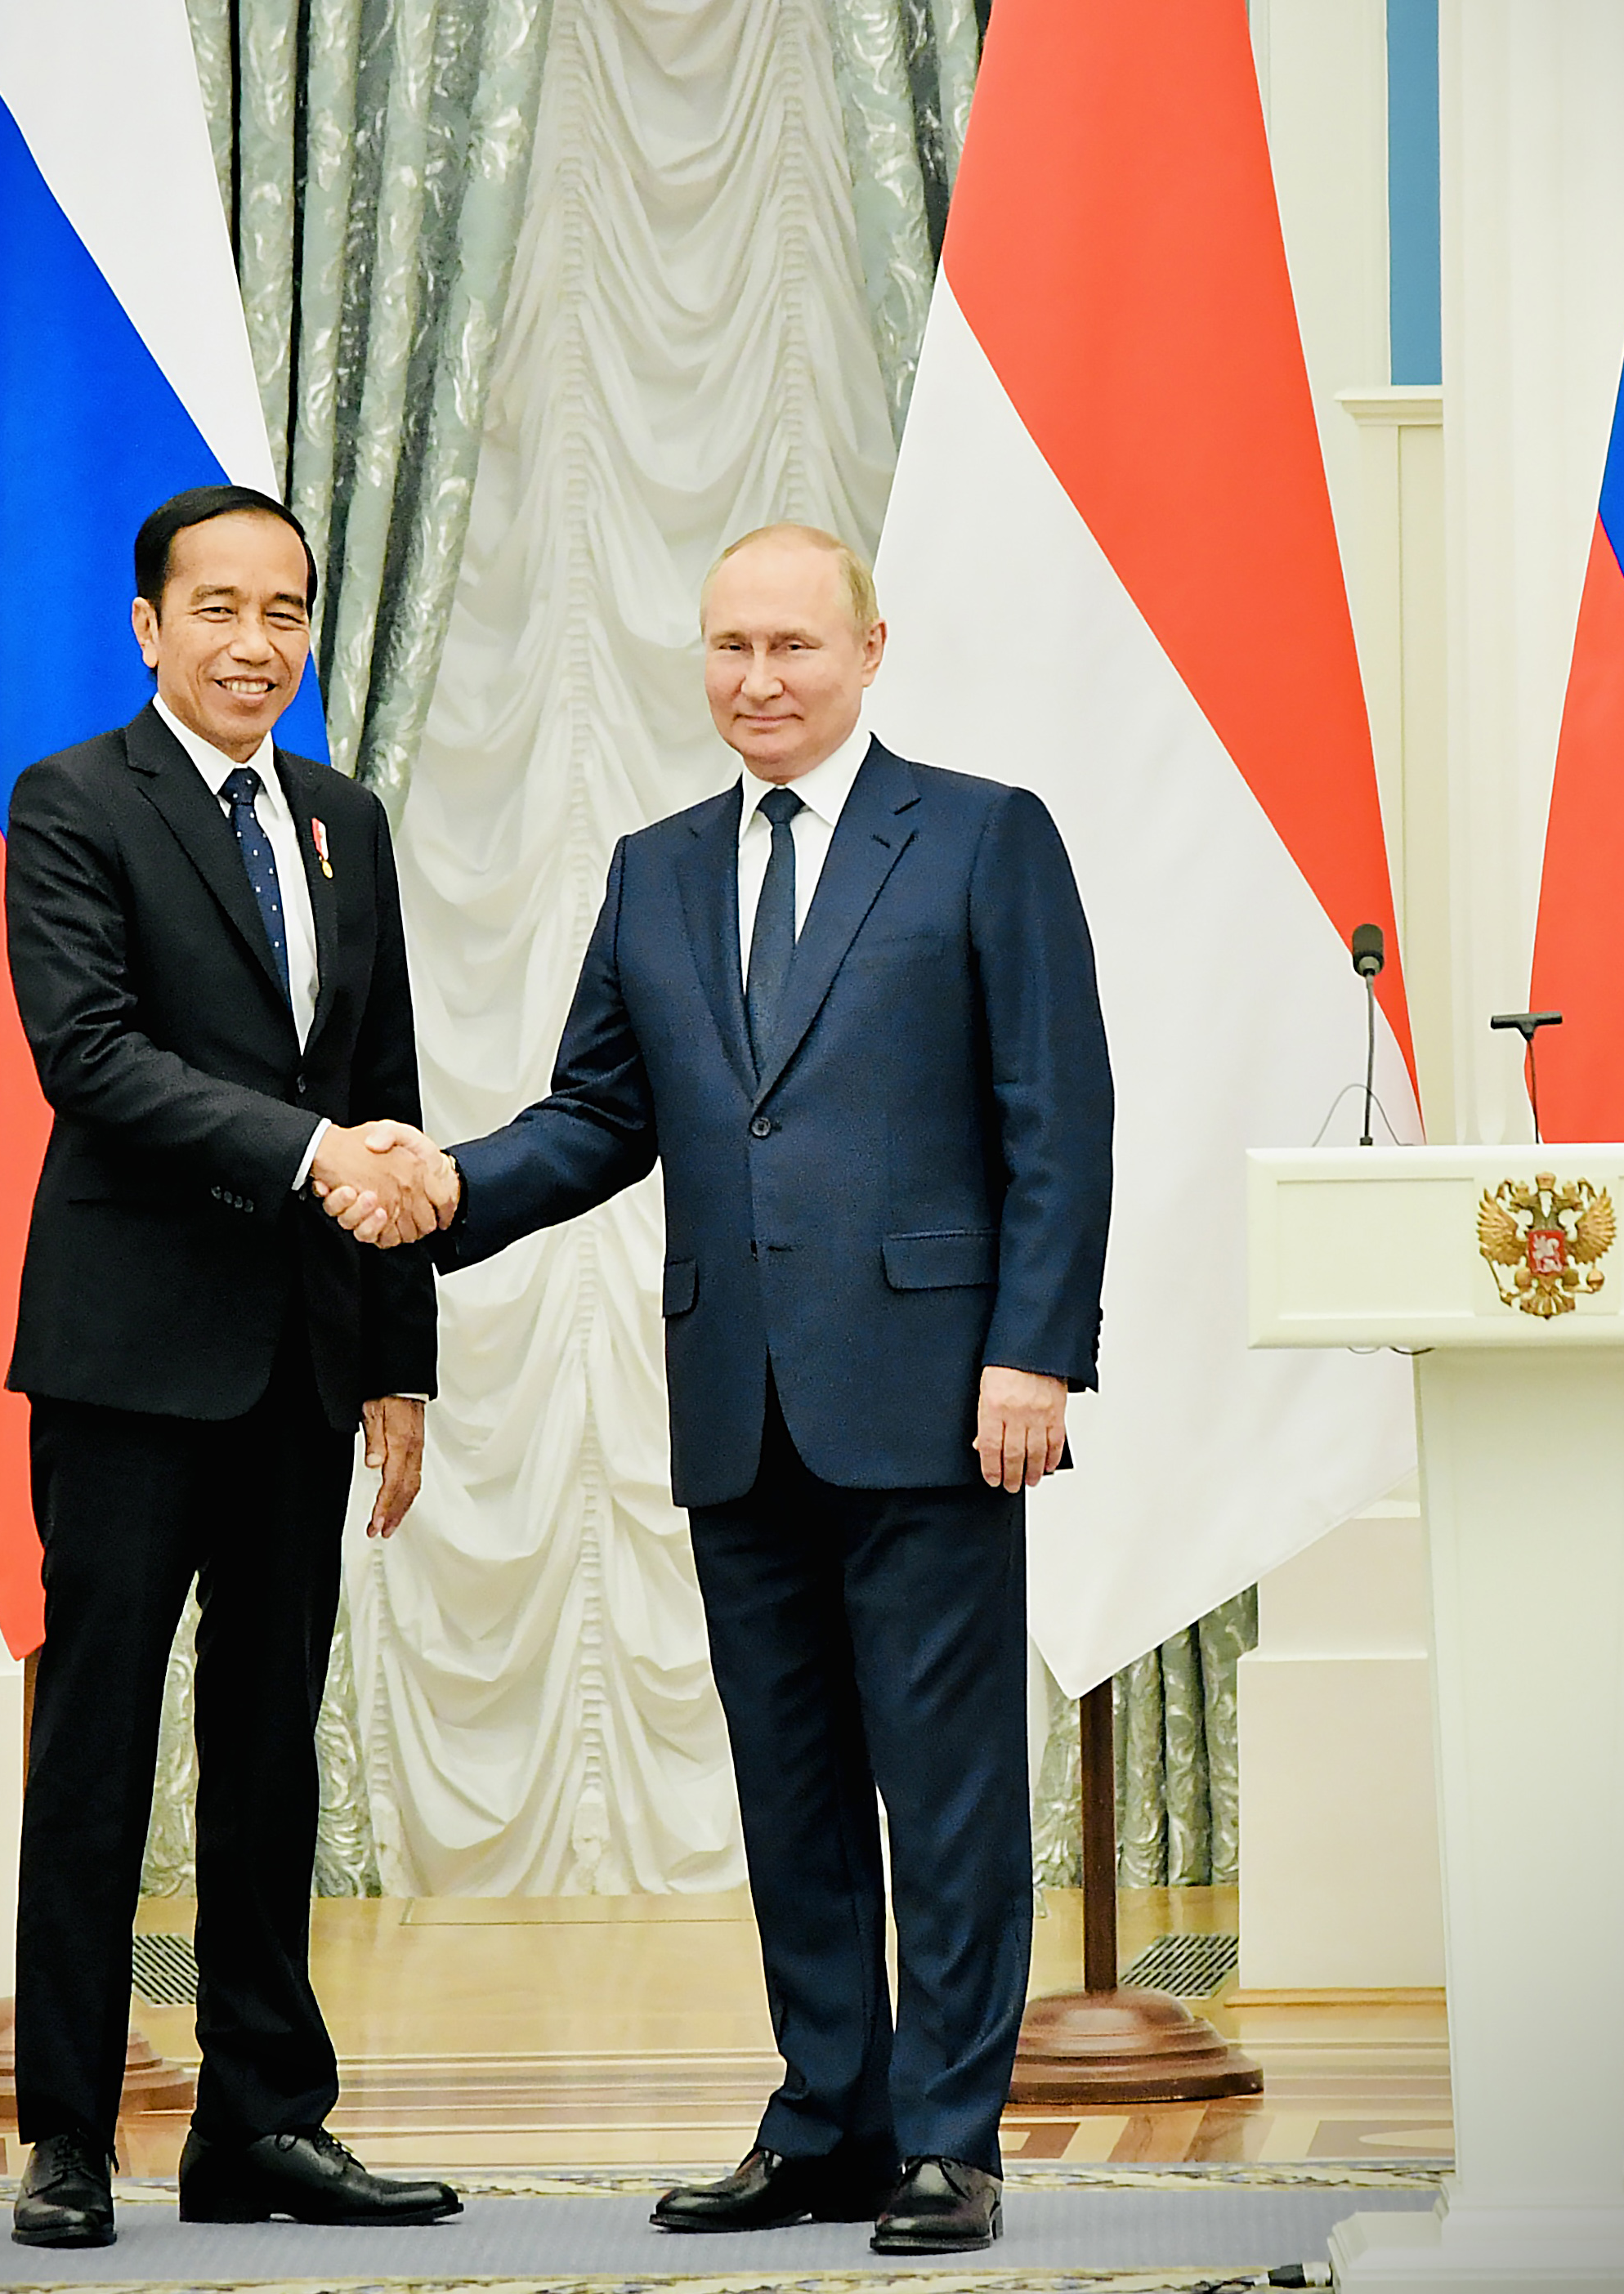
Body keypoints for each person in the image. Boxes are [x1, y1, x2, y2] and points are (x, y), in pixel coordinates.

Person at [329, 523, 1111, 2255]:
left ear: (868, 651)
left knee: (947, 1793)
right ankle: (826, 2119)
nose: (757, 680)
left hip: (937, 1398)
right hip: (737, 1404)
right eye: (729, 648)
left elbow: (1056, 1114)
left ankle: (949, 2139)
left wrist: (1035, 1350)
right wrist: (447, 1186)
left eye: (791, 646)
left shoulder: (982, 836)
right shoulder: (657, 868)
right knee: (792, 1790)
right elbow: (598, 1116)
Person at [1, 483, 464, 2248]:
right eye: (217, 608)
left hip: (301, 1365)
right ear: (147, 625)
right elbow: (89, 1054)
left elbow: (384, 1084)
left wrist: (398, 1361)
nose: (253, 643)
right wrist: (307, 1153)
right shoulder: (72, 801)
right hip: (128, 1359)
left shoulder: (344, 820)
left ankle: (261, 2122)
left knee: (271, 1753)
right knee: (99, 1748)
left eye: (283, 612)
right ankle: (66, 2135)